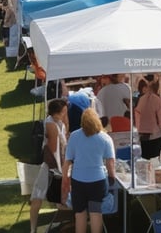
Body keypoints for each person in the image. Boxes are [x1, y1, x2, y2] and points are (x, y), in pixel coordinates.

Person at [61, 108, 116, 233]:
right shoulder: (105, 138)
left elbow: (67, 162)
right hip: (98, 181)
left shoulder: (74, 136)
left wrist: (65, 180)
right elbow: (110, 162)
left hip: (78, 181)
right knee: (96, 212)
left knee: (80, 214)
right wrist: (112, 177)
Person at [29, 98, 69, 233]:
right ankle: (33, 228)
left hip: (55, 166)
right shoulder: (52, 124)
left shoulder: (58, 123)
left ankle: (34, 228)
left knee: (40, 196)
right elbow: (53, 150)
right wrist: (61, 168)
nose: (65, 113)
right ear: (57, 112)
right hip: (51, 166)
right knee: (38, 196)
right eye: (63, 111)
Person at [134, 79, 161, 159]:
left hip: (143, 134)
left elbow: (137, 114)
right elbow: (160, 120)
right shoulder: (157, 100)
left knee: (145, 159)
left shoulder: (141, 99)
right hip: (155, 134)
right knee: (155, 159)